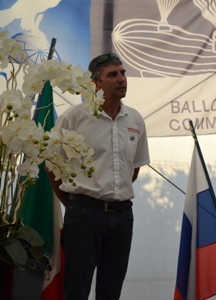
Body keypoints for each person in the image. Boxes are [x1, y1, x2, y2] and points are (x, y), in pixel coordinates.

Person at [47, 53, 150, 300]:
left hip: (123, 215)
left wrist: (111, 194)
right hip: (83, 216)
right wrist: (76, 203)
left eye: (123, 73)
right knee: (77, 290)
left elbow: (133, 169)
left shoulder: (135, 119)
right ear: (96, 84)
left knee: (111, 291)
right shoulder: (75, 117)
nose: (121, 79)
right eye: (112, 75)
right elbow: (51, 165)